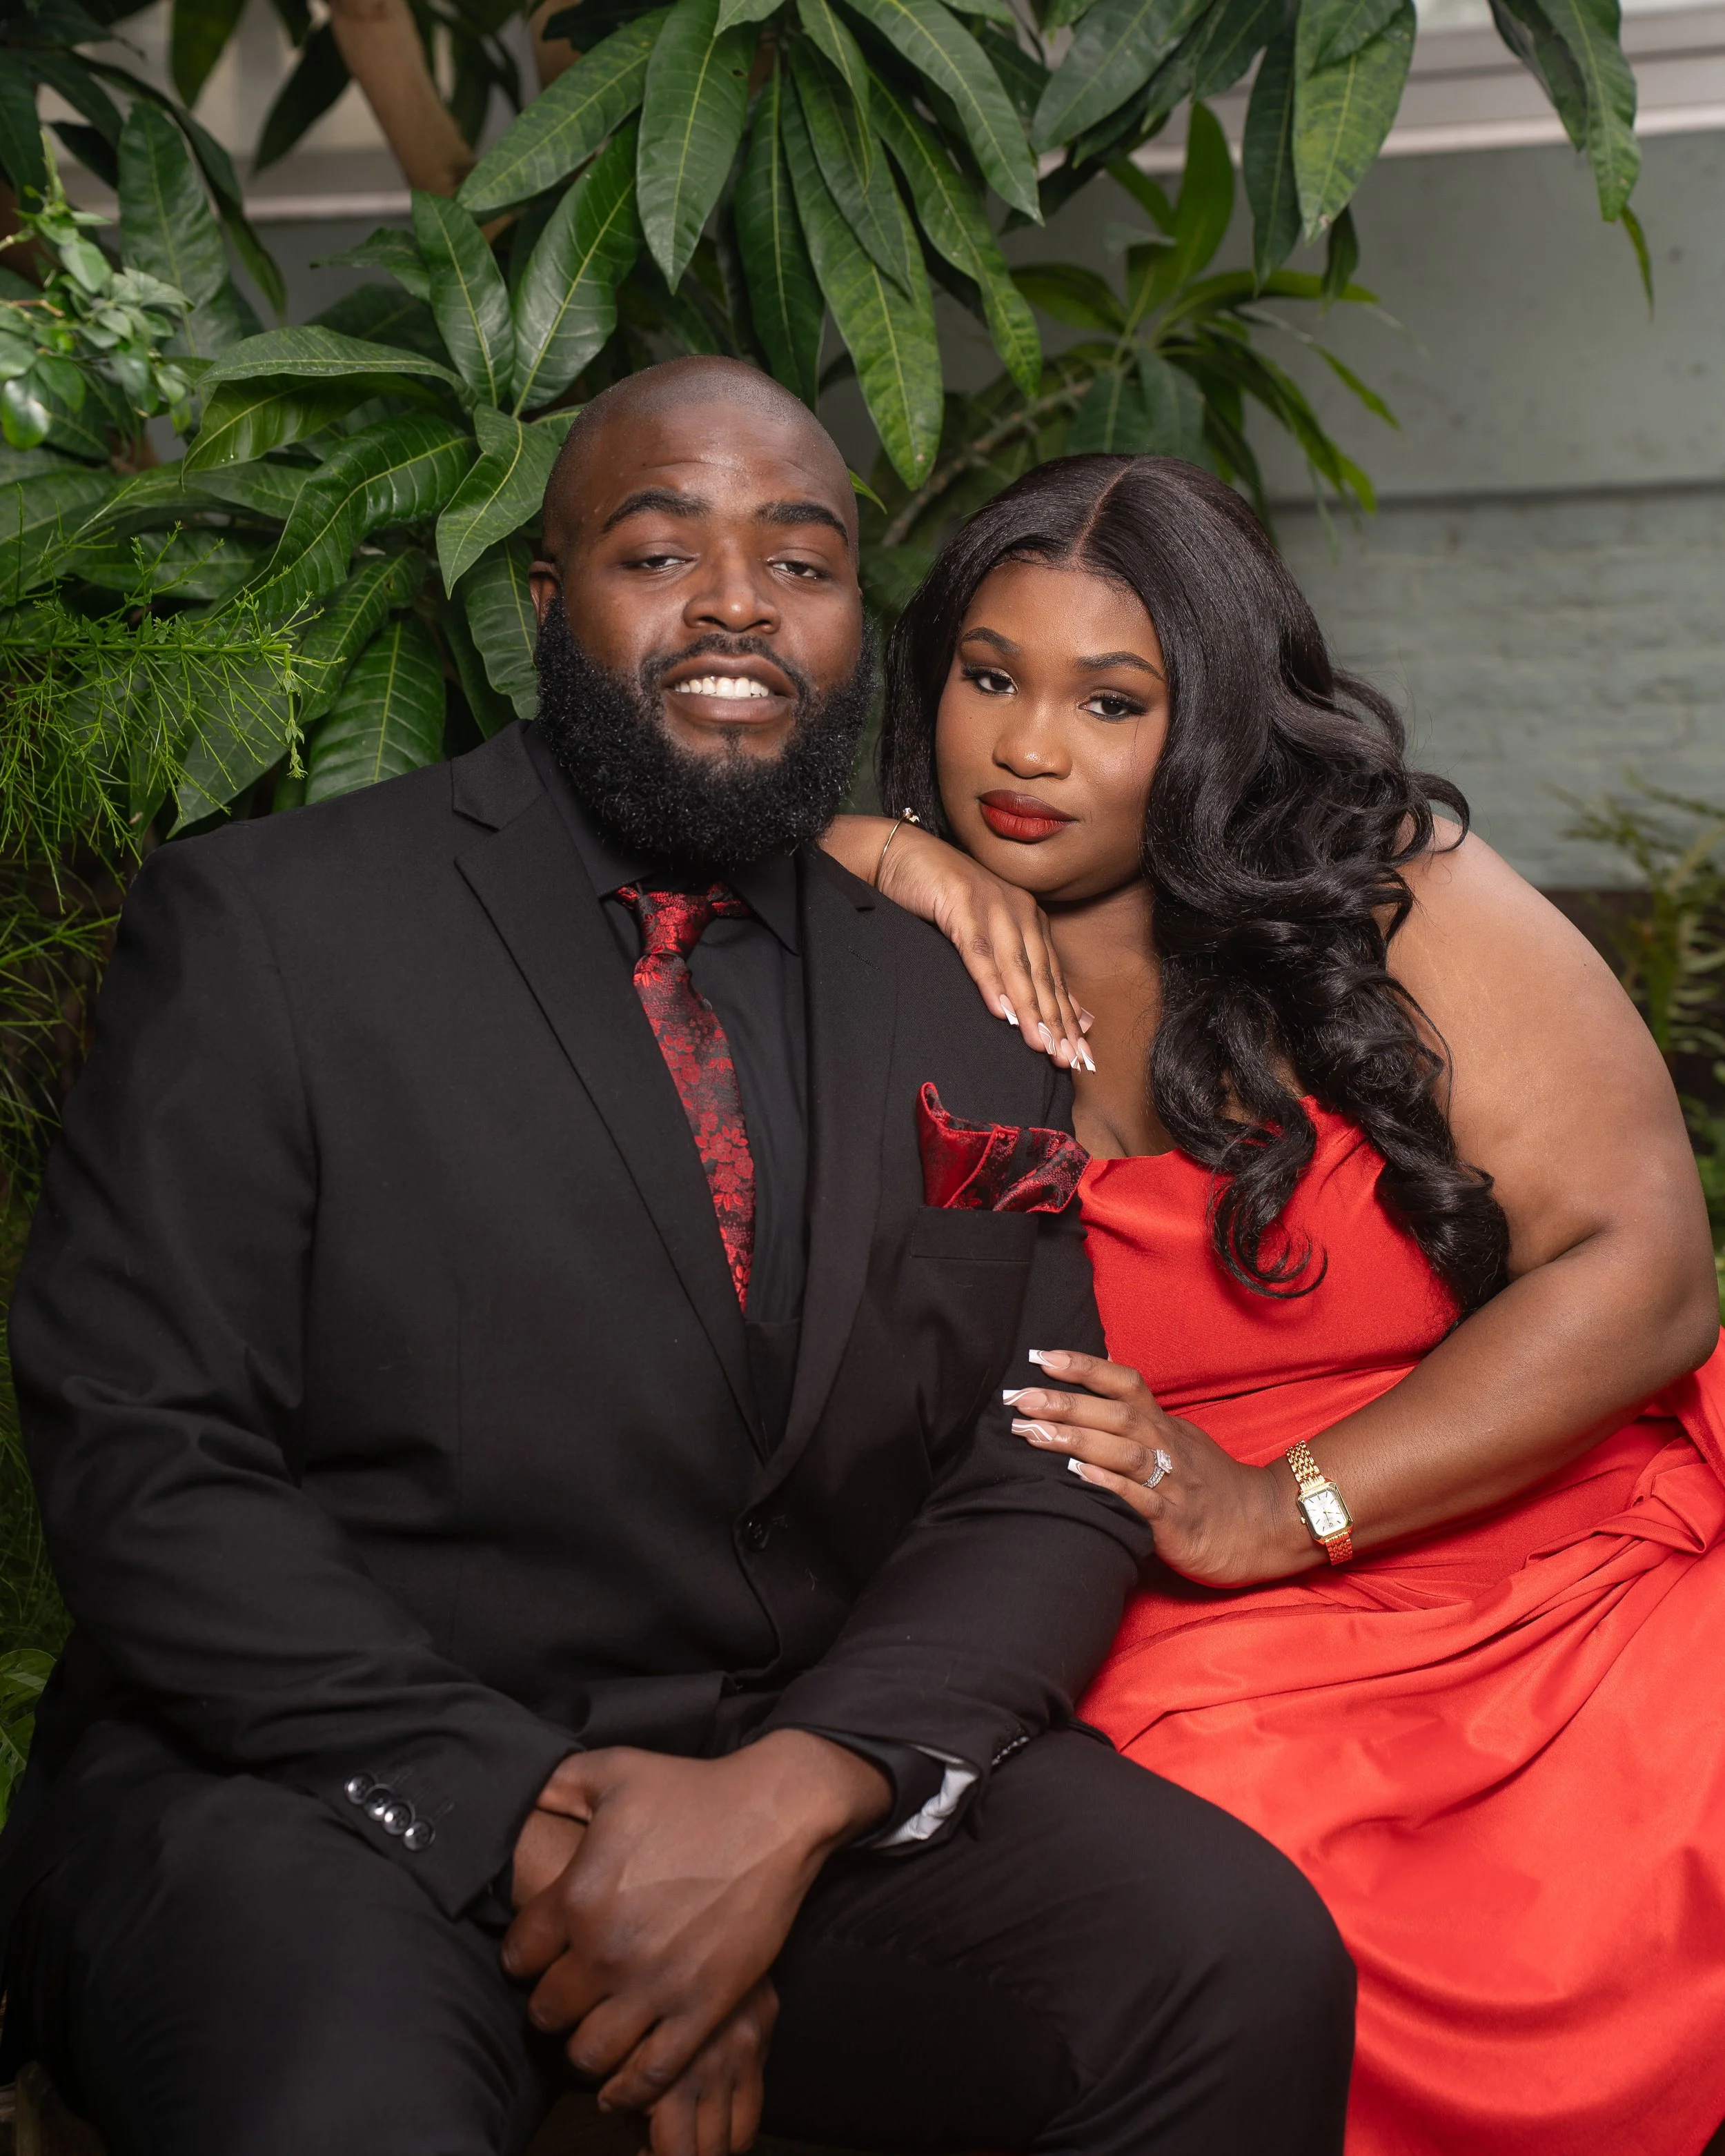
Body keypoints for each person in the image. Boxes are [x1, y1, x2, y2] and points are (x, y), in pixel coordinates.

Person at [0, 365, 1354, 2156]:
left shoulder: (957, 979)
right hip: (330, 1793)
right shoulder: (274, 927)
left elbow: (1044, 1457)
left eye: (798, 562)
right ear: (543, 601)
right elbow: (144, 1453)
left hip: (799, 1779)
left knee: (1227, 1955)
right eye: (662, 549)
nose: (736, 600)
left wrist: (788, 1803)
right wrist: (553, 1835)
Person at [822, 451, 1725, 2156]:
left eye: (1111, 699)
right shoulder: (871, 934)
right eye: (988, 676)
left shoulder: (1391, 896)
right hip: (1131, 1594)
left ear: (1220, 713)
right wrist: (856, 844)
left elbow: (1646, 1269)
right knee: (1225, 1873)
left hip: (1506, 1498)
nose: (1026, 748)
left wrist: (1280, 1503)